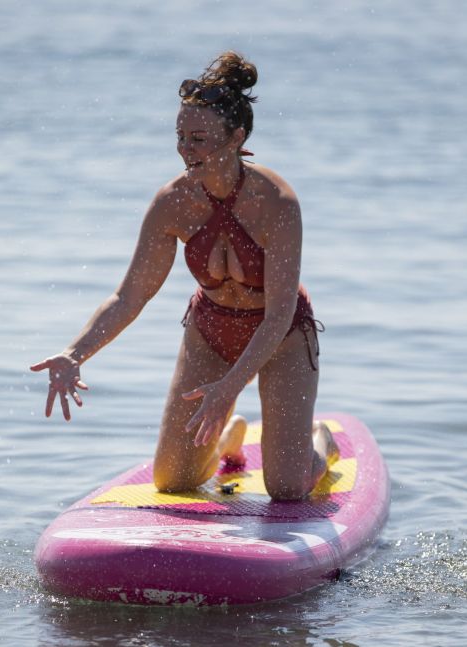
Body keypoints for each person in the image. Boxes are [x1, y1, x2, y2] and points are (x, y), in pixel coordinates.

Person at [30, 51, 338, 501]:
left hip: (282, 337)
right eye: (180, 136)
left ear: (236, 138)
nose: (184, 149)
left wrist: (228, 387)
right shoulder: (171, 204)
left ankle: (319, 440)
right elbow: (130, 296)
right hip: (211, 331)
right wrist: (76, 353)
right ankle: (230, 436)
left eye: (198, 138)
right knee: (173, 481)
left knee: (288, 488)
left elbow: (279, 314)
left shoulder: (277, 202)